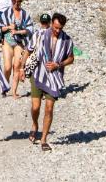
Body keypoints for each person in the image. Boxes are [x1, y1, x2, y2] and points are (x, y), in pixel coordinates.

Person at [30, 13, 74, 151]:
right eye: (55, 27)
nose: (57, 30)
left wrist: (59, 65)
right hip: (38, 73)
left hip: (54, 78)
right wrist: (20, 70)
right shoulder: (41, 35)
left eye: (60, 28)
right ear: (51, 24)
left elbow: (71, 58)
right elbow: (29, 49)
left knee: (49, 108)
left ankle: (43, 139)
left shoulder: (67, 40)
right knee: (36, 107)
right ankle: (34, 124)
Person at [0, 0, 34, 98]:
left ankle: (14, 91)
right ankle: (4, 87)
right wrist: (8, 27)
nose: (16, 3)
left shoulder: (25, 14)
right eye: (14, 1)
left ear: (21, 1)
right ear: (11, 1)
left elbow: (30, 29)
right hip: (7, 42)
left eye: (18, 1)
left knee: (17, 66)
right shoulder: (6, 13)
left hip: (19, 42)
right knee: (7, 67)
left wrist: (19, 31)